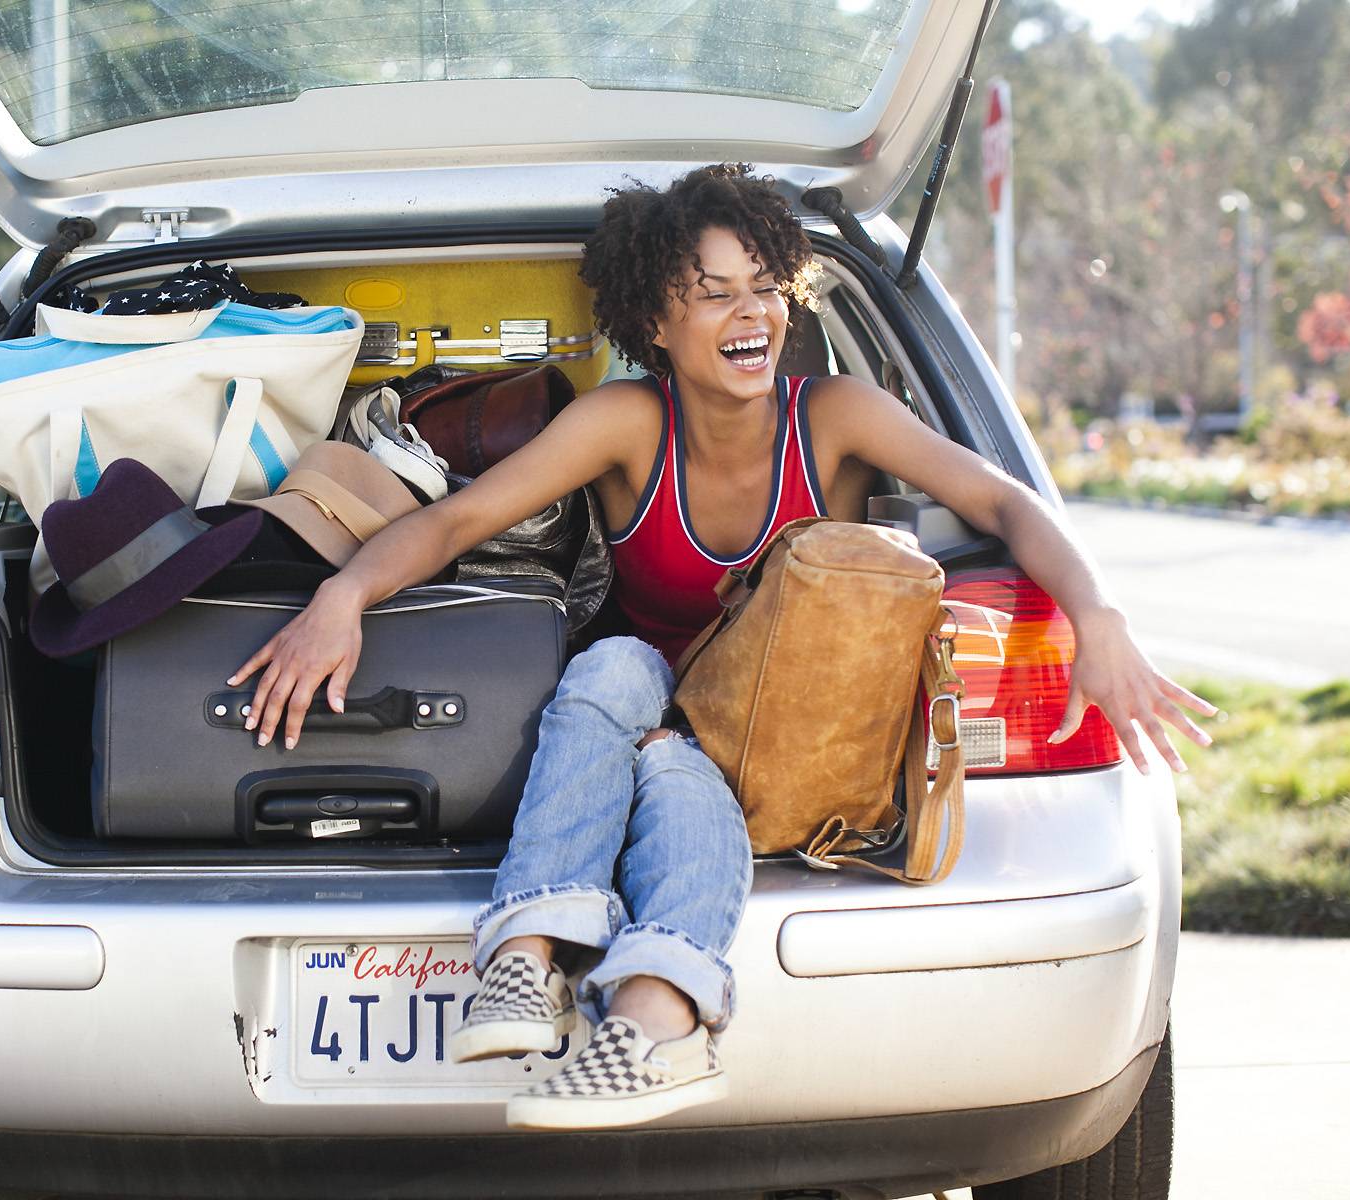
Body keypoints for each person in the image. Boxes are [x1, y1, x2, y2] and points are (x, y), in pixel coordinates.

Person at [229, 164, 1215, 1130]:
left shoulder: (832, 418)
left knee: (661, 733)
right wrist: (344, 593)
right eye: (714, 294)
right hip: (657, 725)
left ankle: (575, 976)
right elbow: (457, 522)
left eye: (765, 288)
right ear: (655, 323)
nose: (752, 316)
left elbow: (1002, 501)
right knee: (634, 699)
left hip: (790, 739)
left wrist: (1101, 618)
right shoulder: (625, 423)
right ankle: (589, 995)